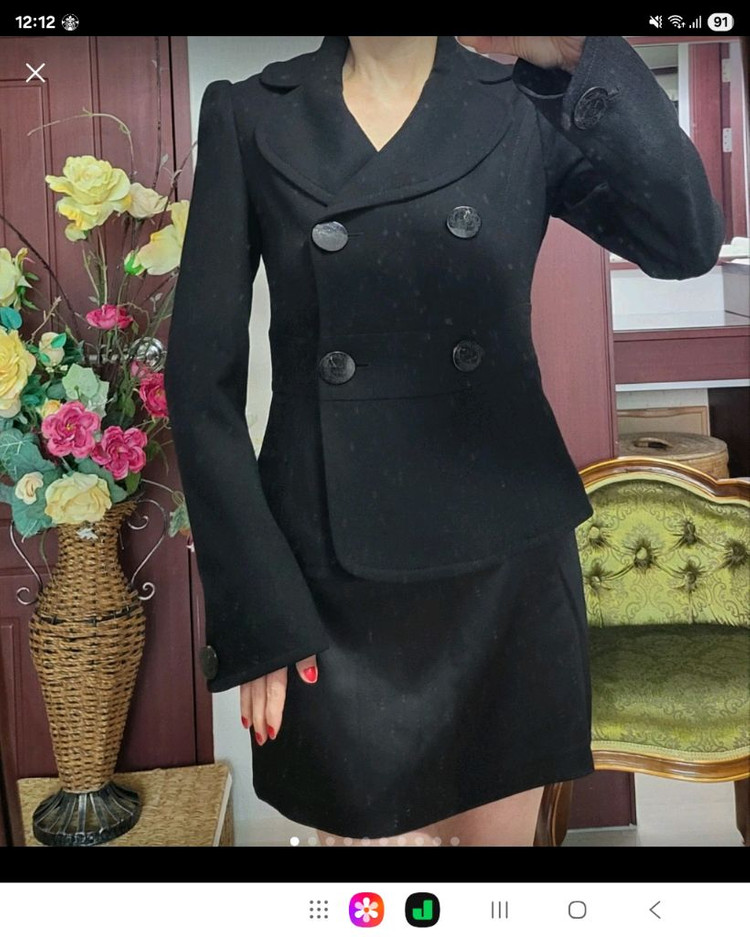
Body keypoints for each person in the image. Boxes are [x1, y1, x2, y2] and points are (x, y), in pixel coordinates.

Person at [164, 35, 724, 847]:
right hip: (334, 591)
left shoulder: (523, 103)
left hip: (504, 572)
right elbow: (200, 387)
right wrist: (261, 612)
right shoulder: (250, 114)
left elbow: (687, 240)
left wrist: (577, 54)